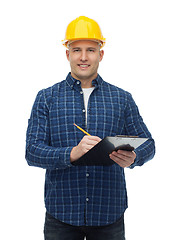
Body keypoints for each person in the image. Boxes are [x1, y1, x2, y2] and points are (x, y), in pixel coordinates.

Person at [25, 16, 155, 240]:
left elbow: (148, 144)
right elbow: (32, 151)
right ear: (67, 54)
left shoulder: (121, 98)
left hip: (109, 214)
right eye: (76, 50)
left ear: (101, 54)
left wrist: (134, 157)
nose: (83, 57)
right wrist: (72, 153)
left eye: (90, 50)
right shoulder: (46, 98)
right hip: (61, 214)